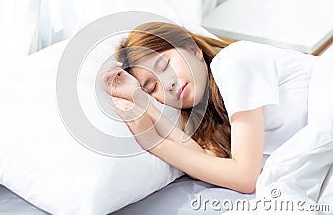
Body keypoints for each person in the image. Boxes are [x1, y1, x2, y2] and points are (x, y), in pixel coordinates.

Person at [99, 21, 318, 194]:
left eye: (165, 65)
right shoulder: (214, 113)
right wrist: (142, 102)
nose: (169, 84)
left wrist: (152, 142)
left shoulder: (234, 62)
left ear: (192, 49)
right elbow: (206, 160)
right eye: (153, 87)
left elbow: (244, 177)